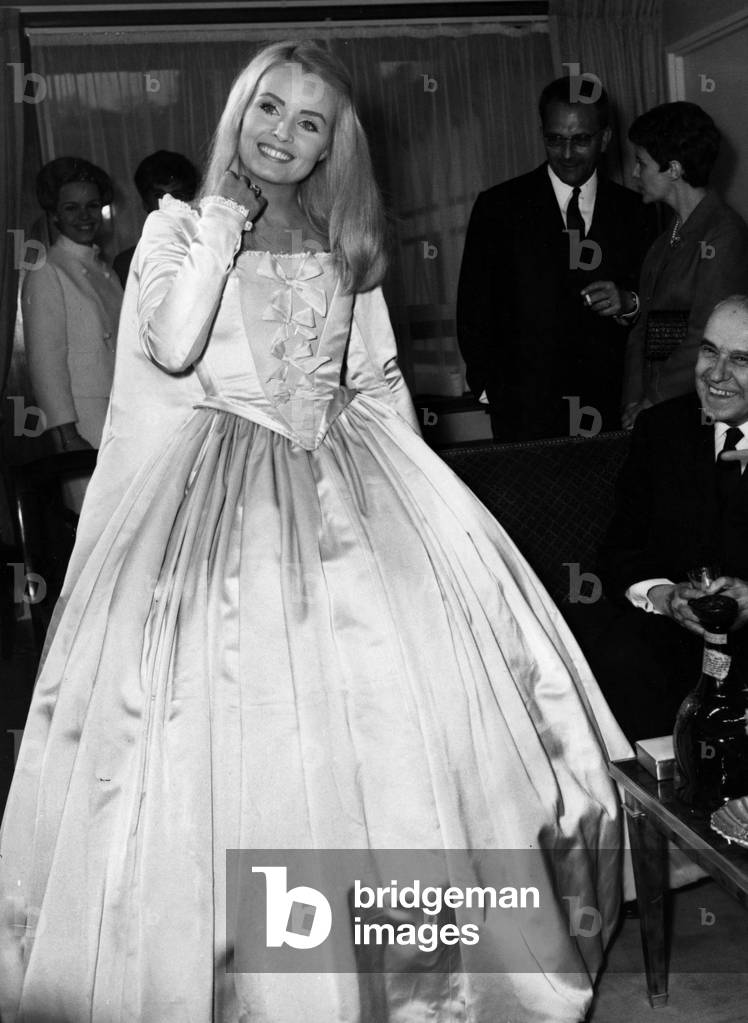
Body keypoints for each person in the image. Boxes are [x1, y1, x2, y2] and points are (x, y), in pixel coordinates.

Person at [0, 43, 631, 1023]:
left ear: (335, 143)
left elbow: (375, 381)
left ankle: (407, 969)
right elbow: (171, 344)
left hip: (350, 479)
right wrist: (220, 219)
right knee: (225, 736)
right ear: (238, 110)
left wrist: (428, 505)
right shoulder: (177, 227)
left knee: (395, 724)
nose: (283, 135)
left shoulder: (347, 235)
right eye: (269, 107)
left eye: (310, 122)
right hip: (217, 500)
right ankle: (238, 975)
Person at [575, 296, 748, 744]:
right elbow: (619, 552)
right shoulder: (662, 431)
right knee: (616, 652)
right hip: (677, 645)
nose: (716, 374)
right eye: (710, 351)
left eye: (741, 359)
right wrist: (666, 596)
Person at [457, 75, 655, 441]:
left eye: (580, 140)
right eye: (555, 139)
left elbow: (661, 305)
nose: (566, 154)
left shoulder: (640, 213)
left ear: (605, 139)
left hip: (614, 410)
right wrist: (489, 387)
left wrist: (629, 303)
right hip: (524, 412)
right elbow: (473, 306)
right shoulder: (498, 207)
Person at [622, 102, 748, 429]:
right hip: (656, 410)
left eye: (641, 163)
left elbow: (706, 336)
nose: (635, 173)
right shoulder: (667, 238)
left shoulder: (724, 235)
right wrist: (635, 401)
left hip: (692, 410)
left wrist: (653, 400)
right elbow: (646, 330)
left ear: (674, 170)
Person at [21, 157, 123, 508]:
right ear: (54, 215)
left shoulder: (105, 272)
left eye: (92, 206)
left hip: (122, 417)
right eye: (72, 207)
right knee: (95, 523)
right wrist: (66, 436)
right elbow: (45, 362)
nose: (85, 216)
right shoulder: (48, 270)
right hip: (84, 422)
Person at [113, 150, 200, 287]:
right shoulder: (127, 263)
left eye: (177, 195)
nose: (167, 202)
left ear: (190, 200)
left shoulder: (207, 252)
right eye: (159, 195)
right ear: (145, 203)